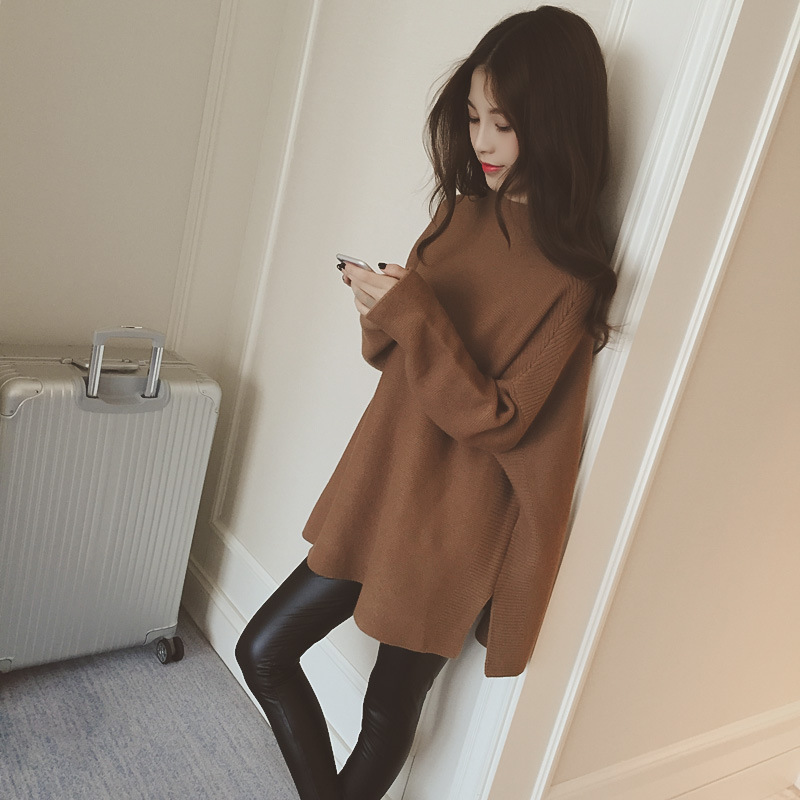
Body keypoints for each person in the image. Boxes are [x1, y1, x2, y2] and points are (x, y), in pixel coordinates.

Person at [235, 6, 617, 799]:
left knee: (386, 709)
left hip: (454, 521)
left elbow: (499, 419)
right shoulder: (459, 213)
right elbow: (398, 358)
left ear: (556, 124)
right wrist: (380, 309)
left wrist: (414, 315)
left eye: (503, 123)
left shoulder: (570, 278)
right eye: (473, 118)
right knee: (264, 650)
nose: (482, 142)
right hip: (383, 483)